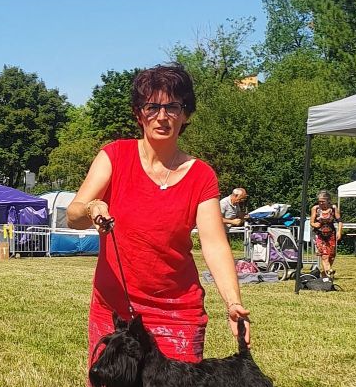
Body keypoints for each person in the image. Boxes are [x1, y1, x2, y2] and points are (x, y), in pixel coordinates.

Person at [67, 63, 250, 370]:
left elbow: (215, 245)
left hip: (176, 311)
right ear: (139, 114)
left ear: (186, 114)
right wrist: (92, 208)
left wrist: (233, 303)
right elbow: (74, 214)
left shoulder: (201, 176)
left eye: (173, 107)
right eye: (152, 107)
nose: (162, 117)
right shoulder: (114, 156)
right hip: (115, 310)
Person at [310, 190, 342, 278]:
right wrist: (314, 224)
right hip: (319, 234)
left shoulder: (333, 208)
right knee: (324, 255)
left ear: (328, 200)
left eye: (323, 201)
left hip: (331, 234)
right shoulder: (315, 208)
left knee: (331, 256)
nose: (321, 203)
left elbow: (339, 221)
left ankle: (325, 273)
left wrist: (339, 231)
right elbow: (311, 222)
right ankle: (329, 271)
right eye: (319, 201)